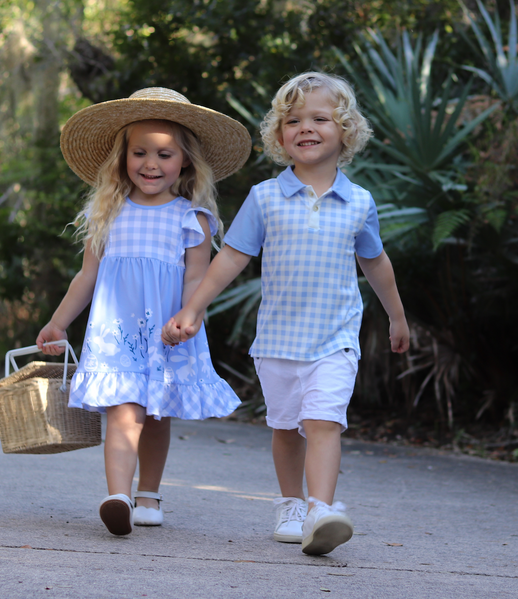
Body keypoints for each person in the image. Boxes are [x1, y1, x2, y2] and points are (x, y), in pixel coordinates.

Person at [162, 72, 410, 555]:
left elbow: (376, 262)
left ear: (346, 131)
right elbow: (231, 257)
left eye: (320, 118)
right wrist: (192, 309)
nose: (306, 127)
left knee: (323, 422)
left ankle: (322, 509)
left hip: (335, 339)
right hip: (277, 340)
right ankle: (291, 504)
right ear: (279, 136)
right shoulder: (265, 197)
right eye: (293, 120)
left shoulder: (358, 203)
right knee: (285, 428)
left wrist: (397, 317)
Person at [36, 87, 251, 536]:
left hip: (167, 329)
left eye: (164, 154)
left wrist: (191, 316)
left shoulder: (191, 218)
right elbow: (86, 278)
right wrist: (58, 322)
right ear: (123, 158)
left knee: (155, 415)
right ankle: (117, 495)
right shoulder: (107, 213)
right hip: (117, 329)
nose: (150, 164)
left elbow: (198, 278)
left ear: (185, 161)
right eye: (139, 153)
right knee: (123, 409)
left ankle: (148, 492)